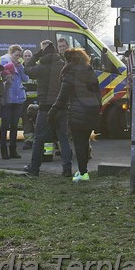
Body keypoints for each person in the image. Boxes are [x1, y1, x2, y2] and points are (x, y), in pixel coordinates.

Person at [48, 48, 101, 182]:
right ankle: (84, 171)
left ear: (69, 59)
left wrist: (52, 111)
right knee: (85, 141)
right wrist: (97, 108)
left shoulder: (69, 73)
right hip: (92, 110)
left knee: (79, 143)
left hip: (77, 111)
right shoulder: (90, 71)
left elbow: (62, 97)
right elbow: (97, 93)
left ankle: (83, 173)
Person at [23, 41, 72, 177]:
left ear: (43, 55)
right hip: (61, 107)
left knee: (39, 138)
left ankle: (34, 168)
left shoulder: (40, 67)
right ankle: (67, 169)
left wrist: (35, 55)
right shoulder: (62, 65)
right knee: (63, 139)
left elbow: (27, 68)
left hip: (45, 108)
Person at [0, 44, 28, 159]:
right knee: (4, 125)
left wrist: (20, 67)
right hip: (7, 98)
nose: (18, 57)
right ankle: (3, 151)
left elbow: (25, 78)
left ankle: (13, 150)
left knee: (14, 126)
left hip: (18, 99)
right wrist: (9, 68)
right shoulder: (3, 61)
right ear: (10, 53)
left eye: (20, 55)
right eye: (16, 55)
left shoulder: (18, 64)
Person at [21, 49, 37, 150]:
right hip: (24, 100)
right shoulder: (19, 68)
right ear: (22, 57)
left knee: (38, 121)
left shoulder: (36, 68)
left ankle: (38, 140)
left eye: (29, 56)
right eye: (25, 56)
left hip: (36, 98)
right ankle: (28, 141)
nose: (27, 58)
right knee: (26, 120)